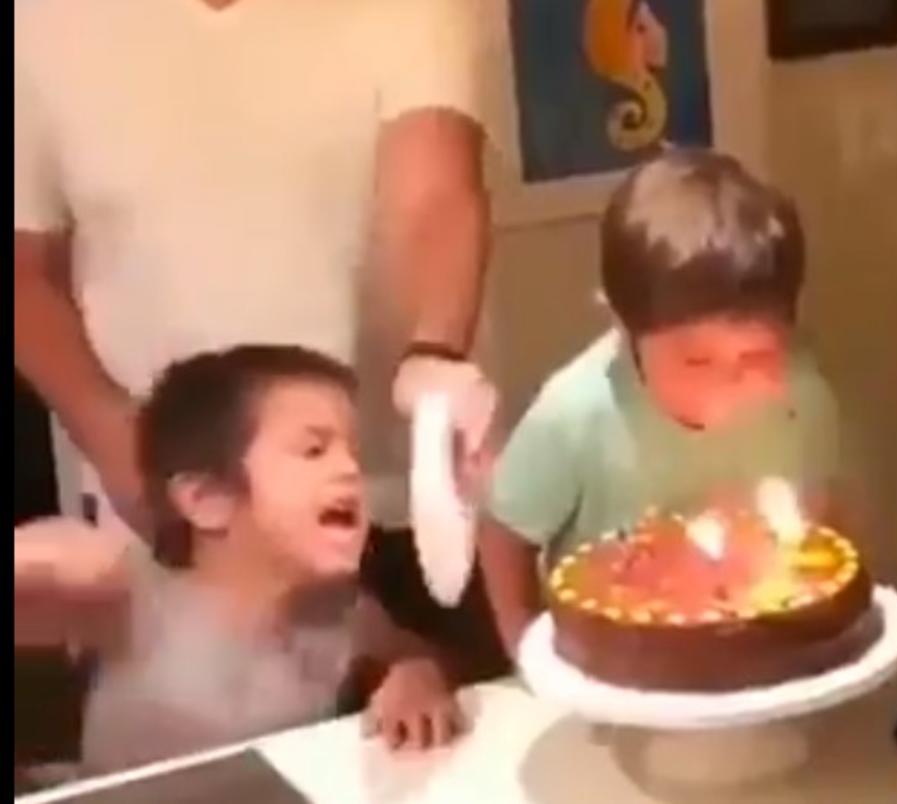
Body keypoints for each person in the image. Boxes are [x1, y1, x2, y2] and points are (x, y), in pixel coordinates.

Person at [14, 0, 506, 687]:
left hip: (398, 510)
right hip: (175, 529)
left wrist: (434, 357)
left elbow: (433, 196)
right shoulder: (41, 22)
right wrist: (114, 437)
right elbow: (25, 271)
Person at [15, 346, 465, 775]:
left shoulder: (343, 613)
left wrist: (416, 676)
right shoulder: (127, 590)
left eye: (354, 453)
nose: (350, 470)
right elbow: (47, 567)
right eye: (314, 450)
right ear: (207, 499)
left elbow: (413, 654)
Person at [478, 149, 843, 657]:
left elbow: (824, 529)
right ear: (625, 327)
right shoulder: (576, 413)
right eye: (697, 361)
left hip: (758, 661)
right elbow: (504, 533)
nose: (727, 382)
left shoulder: (801, 399)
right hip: (614, 669)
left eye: (757, 355)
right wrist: (528, 649)